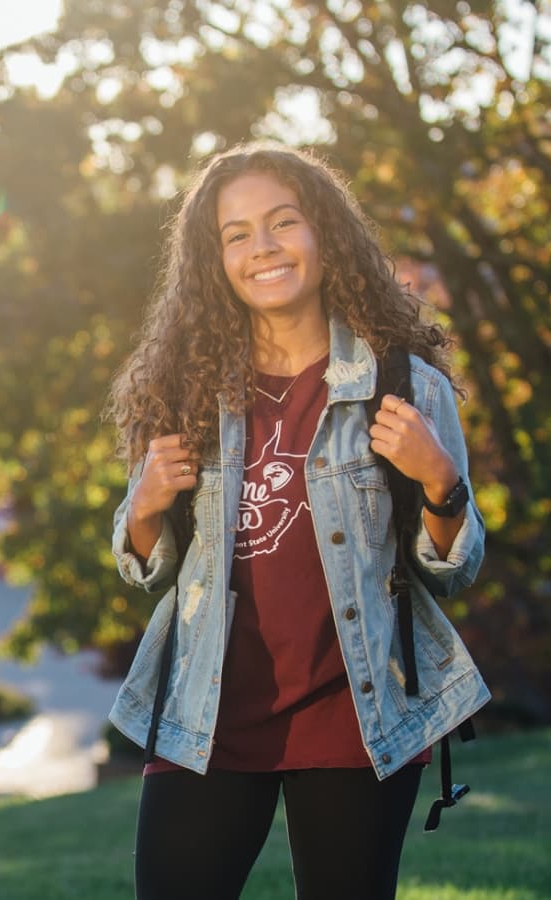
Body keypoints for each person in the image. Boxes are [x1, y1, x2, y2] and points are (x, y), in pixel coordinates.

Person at [104, 143, 488, 900]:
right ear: (214, 260)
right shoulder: (183, 390)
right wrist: (144, 506)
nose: (263, 248)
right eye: (237, 234)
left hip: (357, 713)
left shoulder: (401, 380)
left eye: (283, 223)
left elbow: (453, 568)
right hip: (207, 711)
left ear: (325, 235)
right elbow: (150, 569)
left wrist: (442, 479)